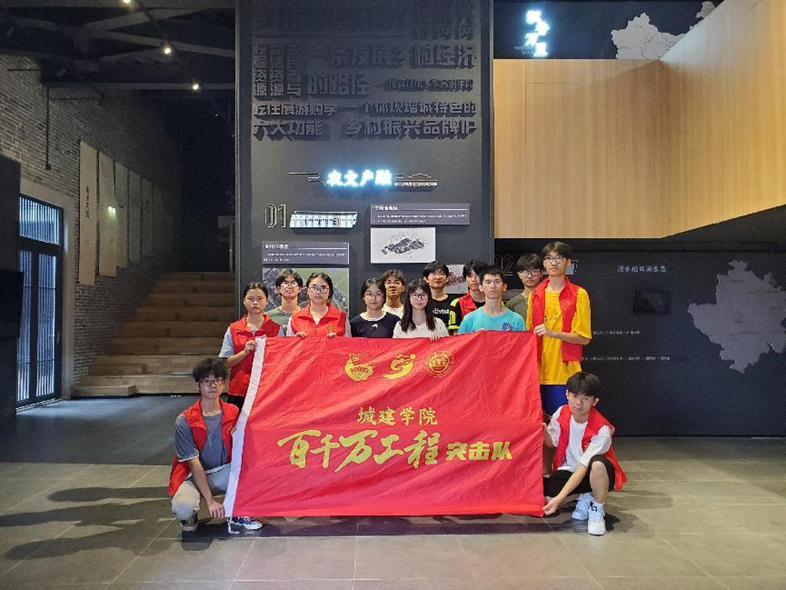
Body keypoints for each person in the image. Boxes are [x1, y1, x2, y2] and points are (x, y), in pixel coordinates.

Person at [169, 358, 263, 535]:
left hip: (223, 472)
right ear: (198, 385)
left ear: (223, 384)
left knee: (254, 469)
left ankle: (238, 512)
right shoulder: (185, 420)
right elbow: (194, 464)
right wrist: (210, 501)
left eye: (218, 380)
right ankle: (189, 516)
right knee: (183, 507)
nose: (213, 385)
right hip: (193, 476)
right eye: (207, 381)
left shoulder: (233, 412)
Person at [542, 372, 627, 536]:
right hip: (569, 469)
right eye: (574, 396)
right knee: (545, 497)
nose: (578, 403)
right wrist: (542, 430)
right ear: (567, 394)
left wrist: (560, 499)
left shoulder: (602, 429)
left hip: (595, 472)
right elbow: (552, 442)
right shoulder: (561, 412)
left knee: (597, 464)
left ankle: (597, 508)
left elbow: (582, 467)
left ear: (594, 401)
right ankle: (585, 495)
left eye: (586, 398)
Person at [527, 242, 592, 416]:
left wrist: (554, 333)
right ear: (544, 263)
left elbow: (584, 337)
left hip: (566, 374)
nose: (553, 263)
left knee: (564, 424)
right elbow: (529, 335)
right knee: (540, 425)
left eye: (559, 258)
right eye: (549, 259)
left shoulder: (579, 294)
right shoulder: (535, 295)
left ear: (568, 262)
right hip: (537, 373)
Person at [219, 282, 282, 410]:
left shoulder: (276, 329)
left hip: (267, 390)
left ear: (266, 301)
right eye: (251, 299)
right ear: (244, 301)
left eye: (260, 299)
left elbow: (281, 362)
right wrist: (244, 352)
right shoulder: (233, 329)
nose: (255, 303)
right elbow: (225, 363)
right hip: (239, 391)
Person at [458, 266, 525, 333]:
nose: (492, 286)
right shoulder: (469, 320)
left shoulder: (517, 320)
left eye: (497, 282)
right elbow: (460, 340)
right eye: (488, 282)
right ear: (481, 287)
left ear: (504, 287)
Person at [288, 271, 351, 337]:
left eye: (323, 288)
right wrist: (295, 340)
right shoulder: (295, 318)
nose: (318, 292)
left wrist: (338, 341)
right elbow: (287, 343)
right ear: (307, 291)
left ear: (329, 292)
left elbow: (349, 343)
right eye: (314, 288)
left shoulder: (341, 318)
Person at [448, 259, 487, 334]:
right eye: (469, 276)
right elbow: (456, 336)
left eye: (477, 275)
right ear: (465, 278)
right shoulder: (457, 304)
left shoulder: (495, 303)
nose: (473, 279)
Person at [506, 253, 543, 322]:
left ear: (541, 273)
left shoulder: (549, 299)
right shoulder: (512, 304)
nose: (529, 276)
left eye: (534, 271)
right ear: (519, 274)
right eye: (525, 272)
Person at [267, 269, 303, 333]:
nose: (289, 286)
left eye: (293, 283)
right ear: (278, 289)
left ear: (300, 289)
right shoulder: (268, 317)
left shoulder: (307, 316)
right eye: (285, 283)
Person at [422, 261, 456, 327]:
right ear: (426, 279)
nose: (437, 277)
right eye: (434, 274)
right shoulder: (421, 302)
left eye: (441, 274)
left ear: (447, 278)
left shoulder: (455, 302)